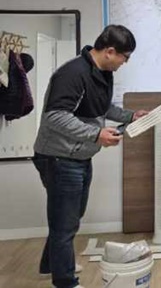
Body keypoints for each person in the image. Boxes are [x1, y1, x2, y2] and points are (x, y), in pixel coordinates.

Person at [33, 25, 148, 288]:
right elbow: (55, 117)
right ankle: (64, 281)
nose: (125, 63)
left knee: (71, 215)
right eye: (125, 57)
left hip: (78, 155)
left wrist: (131, 116)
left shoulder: (102, 73)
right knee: (65, 221)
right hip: (58, 156)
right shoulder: (72, 74)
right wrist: (96, 135)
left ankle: (51, 263)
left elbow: (102, 107)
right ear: (110, 51)